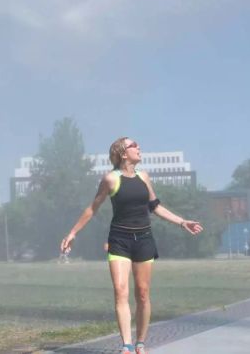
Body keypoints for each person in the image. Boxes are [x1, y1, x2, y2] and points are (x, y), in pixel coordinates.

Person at [61, 137, 203, 354]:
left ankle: (140, 343)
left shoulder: (143, 177)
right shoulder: (110, 179)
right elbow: (92, 208)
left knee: (143, 293)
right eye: (133, 145)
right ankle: (126, 345)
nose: (139, 147)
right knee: (120, 291)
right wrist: (72, 232)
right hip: (119, 240)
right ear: (123, 153)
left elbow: (155, 207)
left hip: (144, 239)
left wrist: (182, 222)